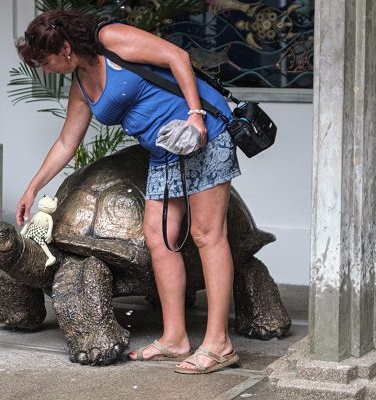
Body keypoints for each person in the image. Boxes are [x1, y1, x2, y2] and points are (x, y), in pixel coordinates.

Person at [14, 10, 241, 374]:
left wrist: (195, 115)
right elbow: (65, 143)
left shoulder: (111, 39)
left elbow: (176, 57)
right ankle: (175, 338)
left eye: (45, 60)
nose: (45, 69)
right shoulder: (81, 84)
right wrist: (32, 187)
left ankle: (219, 343)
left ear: (67, 48)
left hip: (203, 136)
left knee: (206, 234)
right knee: (158, 237)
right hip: (164, 152)